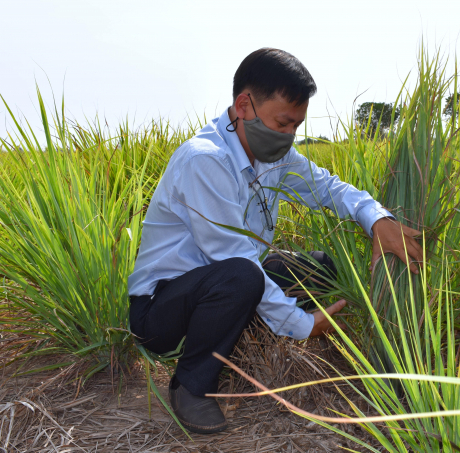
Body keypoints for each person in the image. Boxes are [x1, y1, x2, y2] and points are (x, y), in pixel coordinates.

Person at [127, 48, 423, 434]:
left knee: (316, 266)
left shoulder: (276, 158)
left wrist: (377, 219)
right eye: (282, 123)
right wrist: (302, 324)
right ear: (244, 105)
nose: (289, 136)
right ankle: (191, 387)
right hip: (160, 310)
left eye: (296, 126)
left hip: (221, 286)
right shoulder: (204, 161)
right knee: (243, 276)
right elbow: (234, 257)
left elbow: (328, 189)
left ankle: (236, 342)